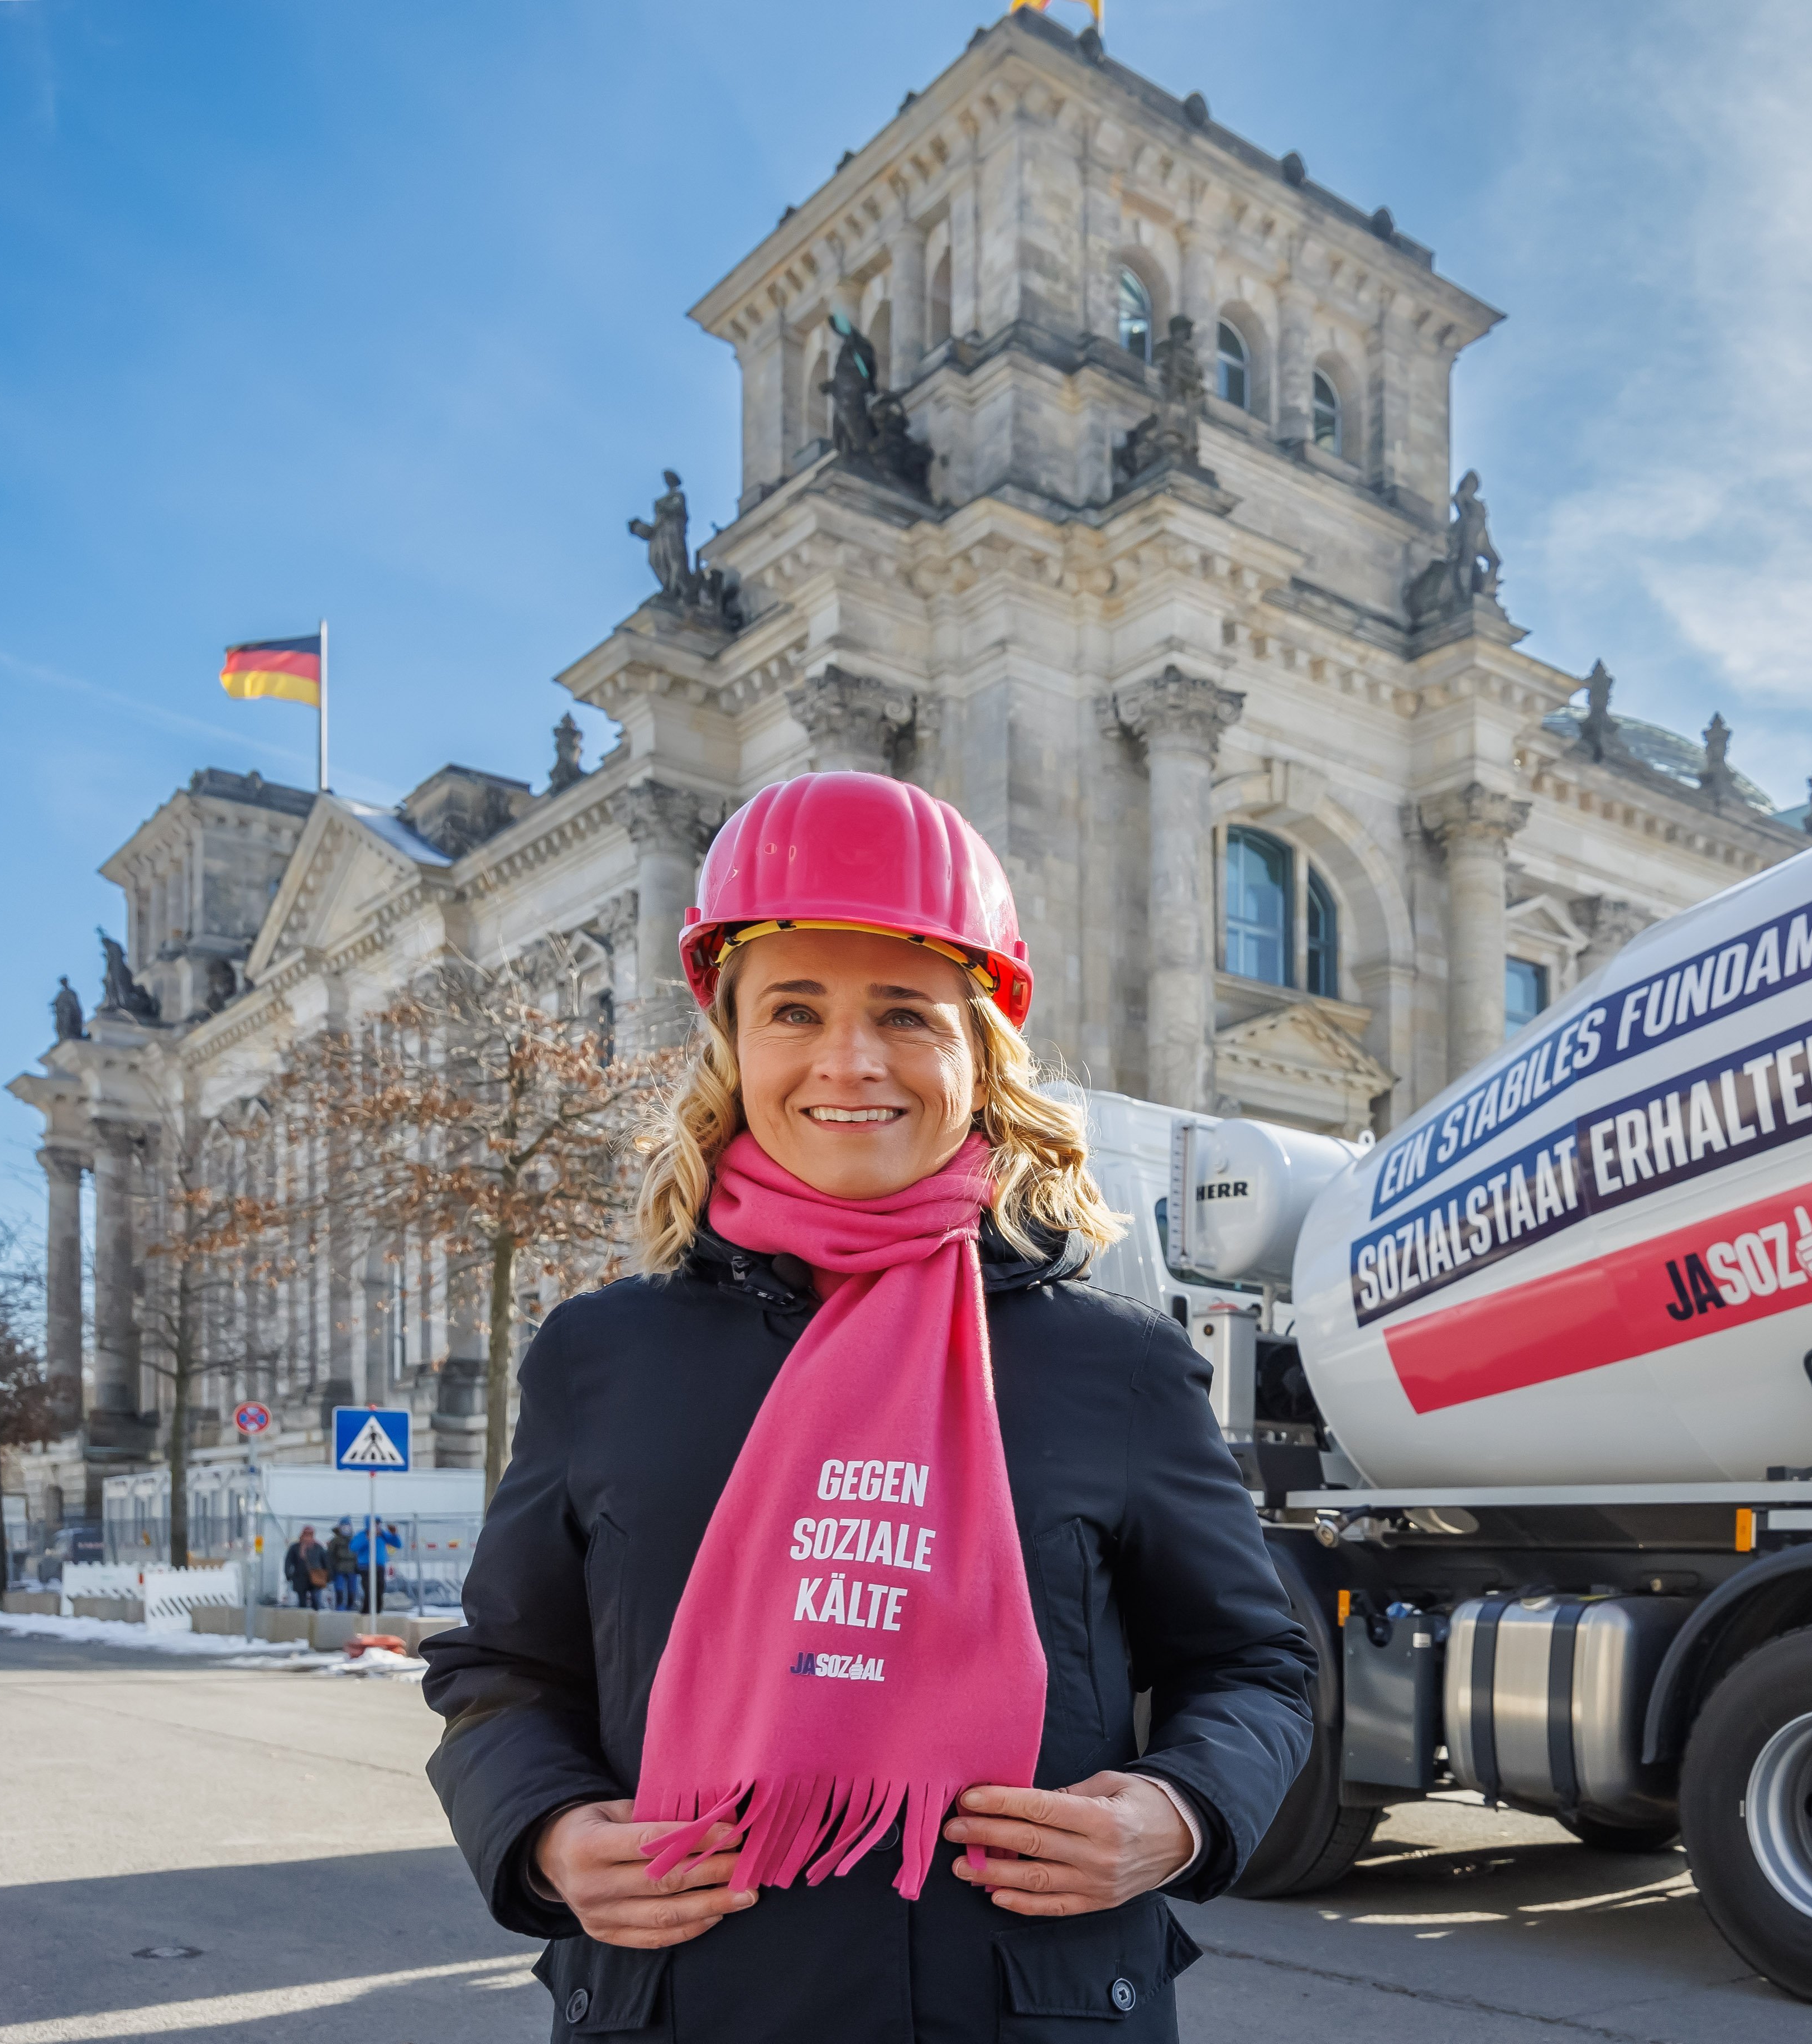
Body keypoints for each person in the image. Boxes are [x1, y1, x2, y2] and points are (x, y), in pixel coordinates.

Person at [422, 773, 1314, 2043]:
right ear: (734, 1041)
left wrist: (1175, 1816)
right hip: (685, 2005)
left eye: (905, 1013)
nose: (848, 1061)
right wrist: (548, 1832)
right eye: (795, 1009)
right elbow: (503, 1672)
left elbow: (1253, 1667)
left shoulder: (1109, 1363)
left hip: (1022, 2009)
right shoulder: (599, 1357)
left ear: (978, 1051)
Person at [285, 1526, 326, 1611]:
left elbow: (325, 1562)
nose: (307, 1536)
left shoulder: (318, 1547)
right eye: (306, 1534)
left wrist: (327, 1576)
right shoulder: (295, 1547)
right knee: (302, 1603)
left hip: (315, 1578)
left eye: (310, 1534)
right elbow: (288, 1561)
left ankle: (314, 1620)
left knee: (316, 1601)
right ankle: (303, 1621)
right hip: (300, 1578)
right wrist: (288, 1575)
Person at [324, 1521, 358, 1613]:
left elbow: (358, 1554)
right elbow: (330, 1556)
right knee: (339, 1588)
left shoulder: (355, 1539)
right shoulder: (335, 1541)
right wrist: (331, 1569)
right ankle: (339, 1605)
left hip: (352, 1569)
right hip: (339, 1568)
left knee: (352, 1589)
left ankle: (351, 1606)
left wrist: (358, 1567)